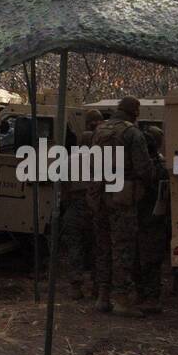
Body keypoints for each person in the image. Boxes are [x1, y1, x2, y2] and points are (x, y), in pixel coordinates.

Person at [89, 97, 155, 317]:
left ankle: (102, 297)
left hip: (98, 195)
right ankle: (122, 300)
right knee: (123, 248)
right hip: (122, 196)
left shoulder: (100, 130)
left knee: (103, 246)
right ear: (134, 112)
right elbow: (144, 169)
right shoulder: (132, 133)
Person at [61, 109, 103, 300]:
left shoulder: (69, 161)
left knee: (75, 248)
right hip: (95, 207)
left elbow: (63, 188)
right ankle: (97, 287)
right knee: (97, 249)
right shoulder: (101, 161)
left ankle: (76, 287)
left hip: (74, 208)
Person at [136, 125, 169, 315]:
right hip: (148, 219)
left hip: (151, 218)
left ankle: (151, 297)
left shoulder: (157, 168)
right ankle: (146, 295)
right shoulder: (159, 165)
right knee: (145, 259)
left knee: (149, 260)